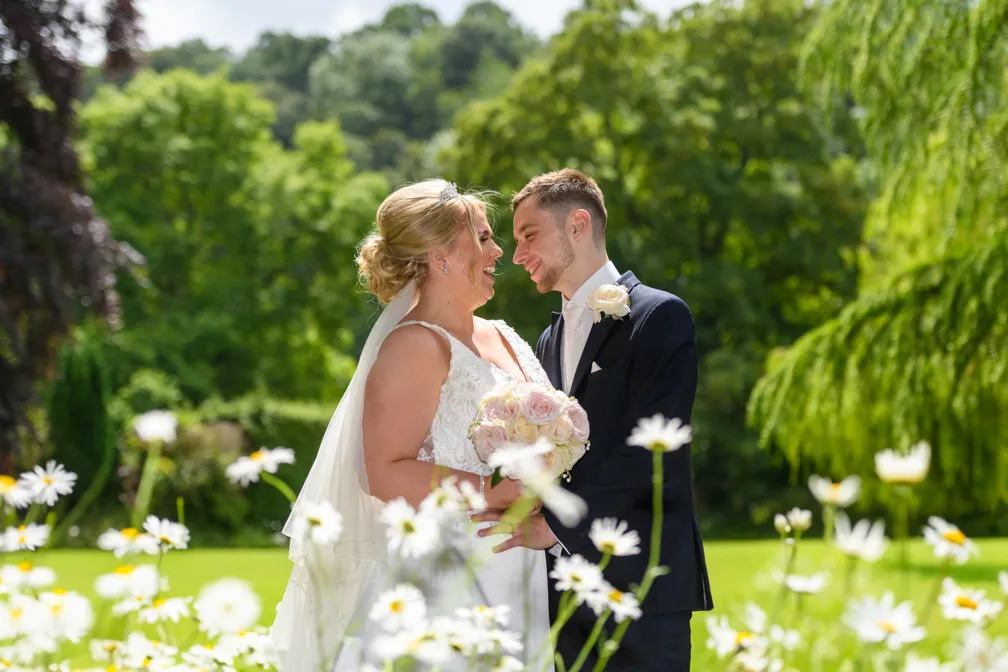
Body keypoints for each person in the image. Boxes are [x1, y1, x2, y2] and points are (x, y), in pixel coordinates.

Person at [268, 179, 556, 672]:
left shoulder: (503, 335)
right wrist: (491, 490)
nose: (498, 249)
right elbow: (384, 471)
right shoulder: (415, 346)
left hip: (517, 570)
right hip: (444, 576)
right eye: (484, 238)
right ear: (441, 255)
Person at [474, 168, 714, 670]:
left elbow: (649, 453)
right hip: (562, 590)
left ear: (578, 225)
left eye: (529, 235)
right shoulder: (546, 340)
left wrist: (556, 528)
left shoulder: (659, 318)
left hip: (644, 585)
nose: (517, 255)